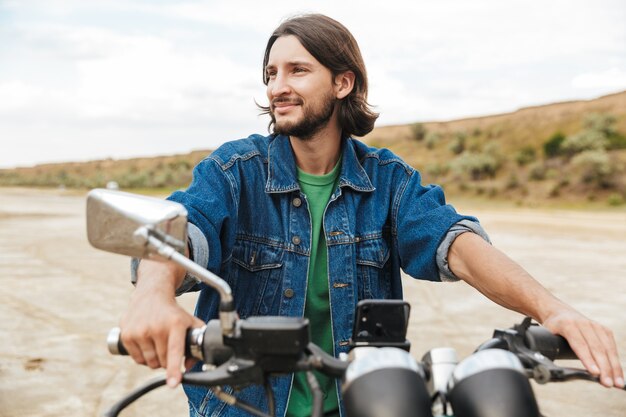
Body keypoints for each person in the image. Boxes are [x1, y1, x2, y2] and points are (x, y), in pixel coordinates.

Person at [121, 13, 624, 417]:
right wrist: (153, 294)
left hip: (362, 401)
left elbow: (456, 244)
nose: (277, 87)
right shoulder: (235, 170)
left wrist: (551, 309)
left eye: (298, 70)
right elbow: (179, 226)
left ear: (343, 82)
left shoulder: (387, 179)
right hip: (243, 406)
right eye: (271, 74)